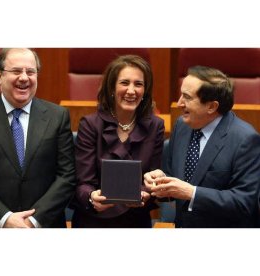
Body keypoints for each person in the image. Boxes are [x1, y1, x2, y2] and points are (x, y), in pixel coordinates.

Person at [0, 48, 76, 228]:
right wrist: (5, 218)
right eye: (16, 71)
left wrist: (33, 221)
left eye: (31, 72)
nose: (24, 77)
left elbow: (67, 176)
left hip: (45, 225)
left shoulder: (58, 116)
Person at [144, 65, 260, 228]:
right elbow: (175, 177)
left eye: (187, 97)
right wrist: (161, 178)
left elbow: (245, 202)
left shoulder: (245, 140)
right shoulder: (182, 125)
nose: (178, 103)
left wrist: (192, 193)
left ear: (211, 106)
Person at [71, 55, 165, 228]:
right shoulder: (90, 125)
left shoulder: (155, 126)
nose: (131, 91)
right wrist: (92, 197)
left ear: (145, 90)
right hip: (94, 219)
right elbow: (83, 182)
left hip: (136, 219)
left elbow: (154, 176)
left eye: (138, 84)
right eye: (124, 83)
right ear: (112, 88)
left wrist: (144, 193)